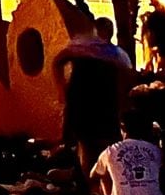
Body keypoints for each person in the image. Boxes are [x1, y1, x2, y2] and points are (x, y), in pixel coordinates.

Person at [53, 17, 134, 174]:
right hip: (89, 103)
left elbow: (126, 73)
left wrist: (62, 88)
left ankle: (96, 182)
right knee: (89, 145)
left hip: (97, 103)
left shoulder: (89, 50)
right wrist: (61, 89)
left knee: (97, 145)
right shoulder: (87, 49)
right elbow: (58, 61)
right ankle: (91, 183)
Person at [89, 123, 165, 195]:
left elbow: (93, 175)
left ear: (123, 130)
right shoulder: (156, 150)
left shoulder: (111, 151)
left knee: (105, 171)